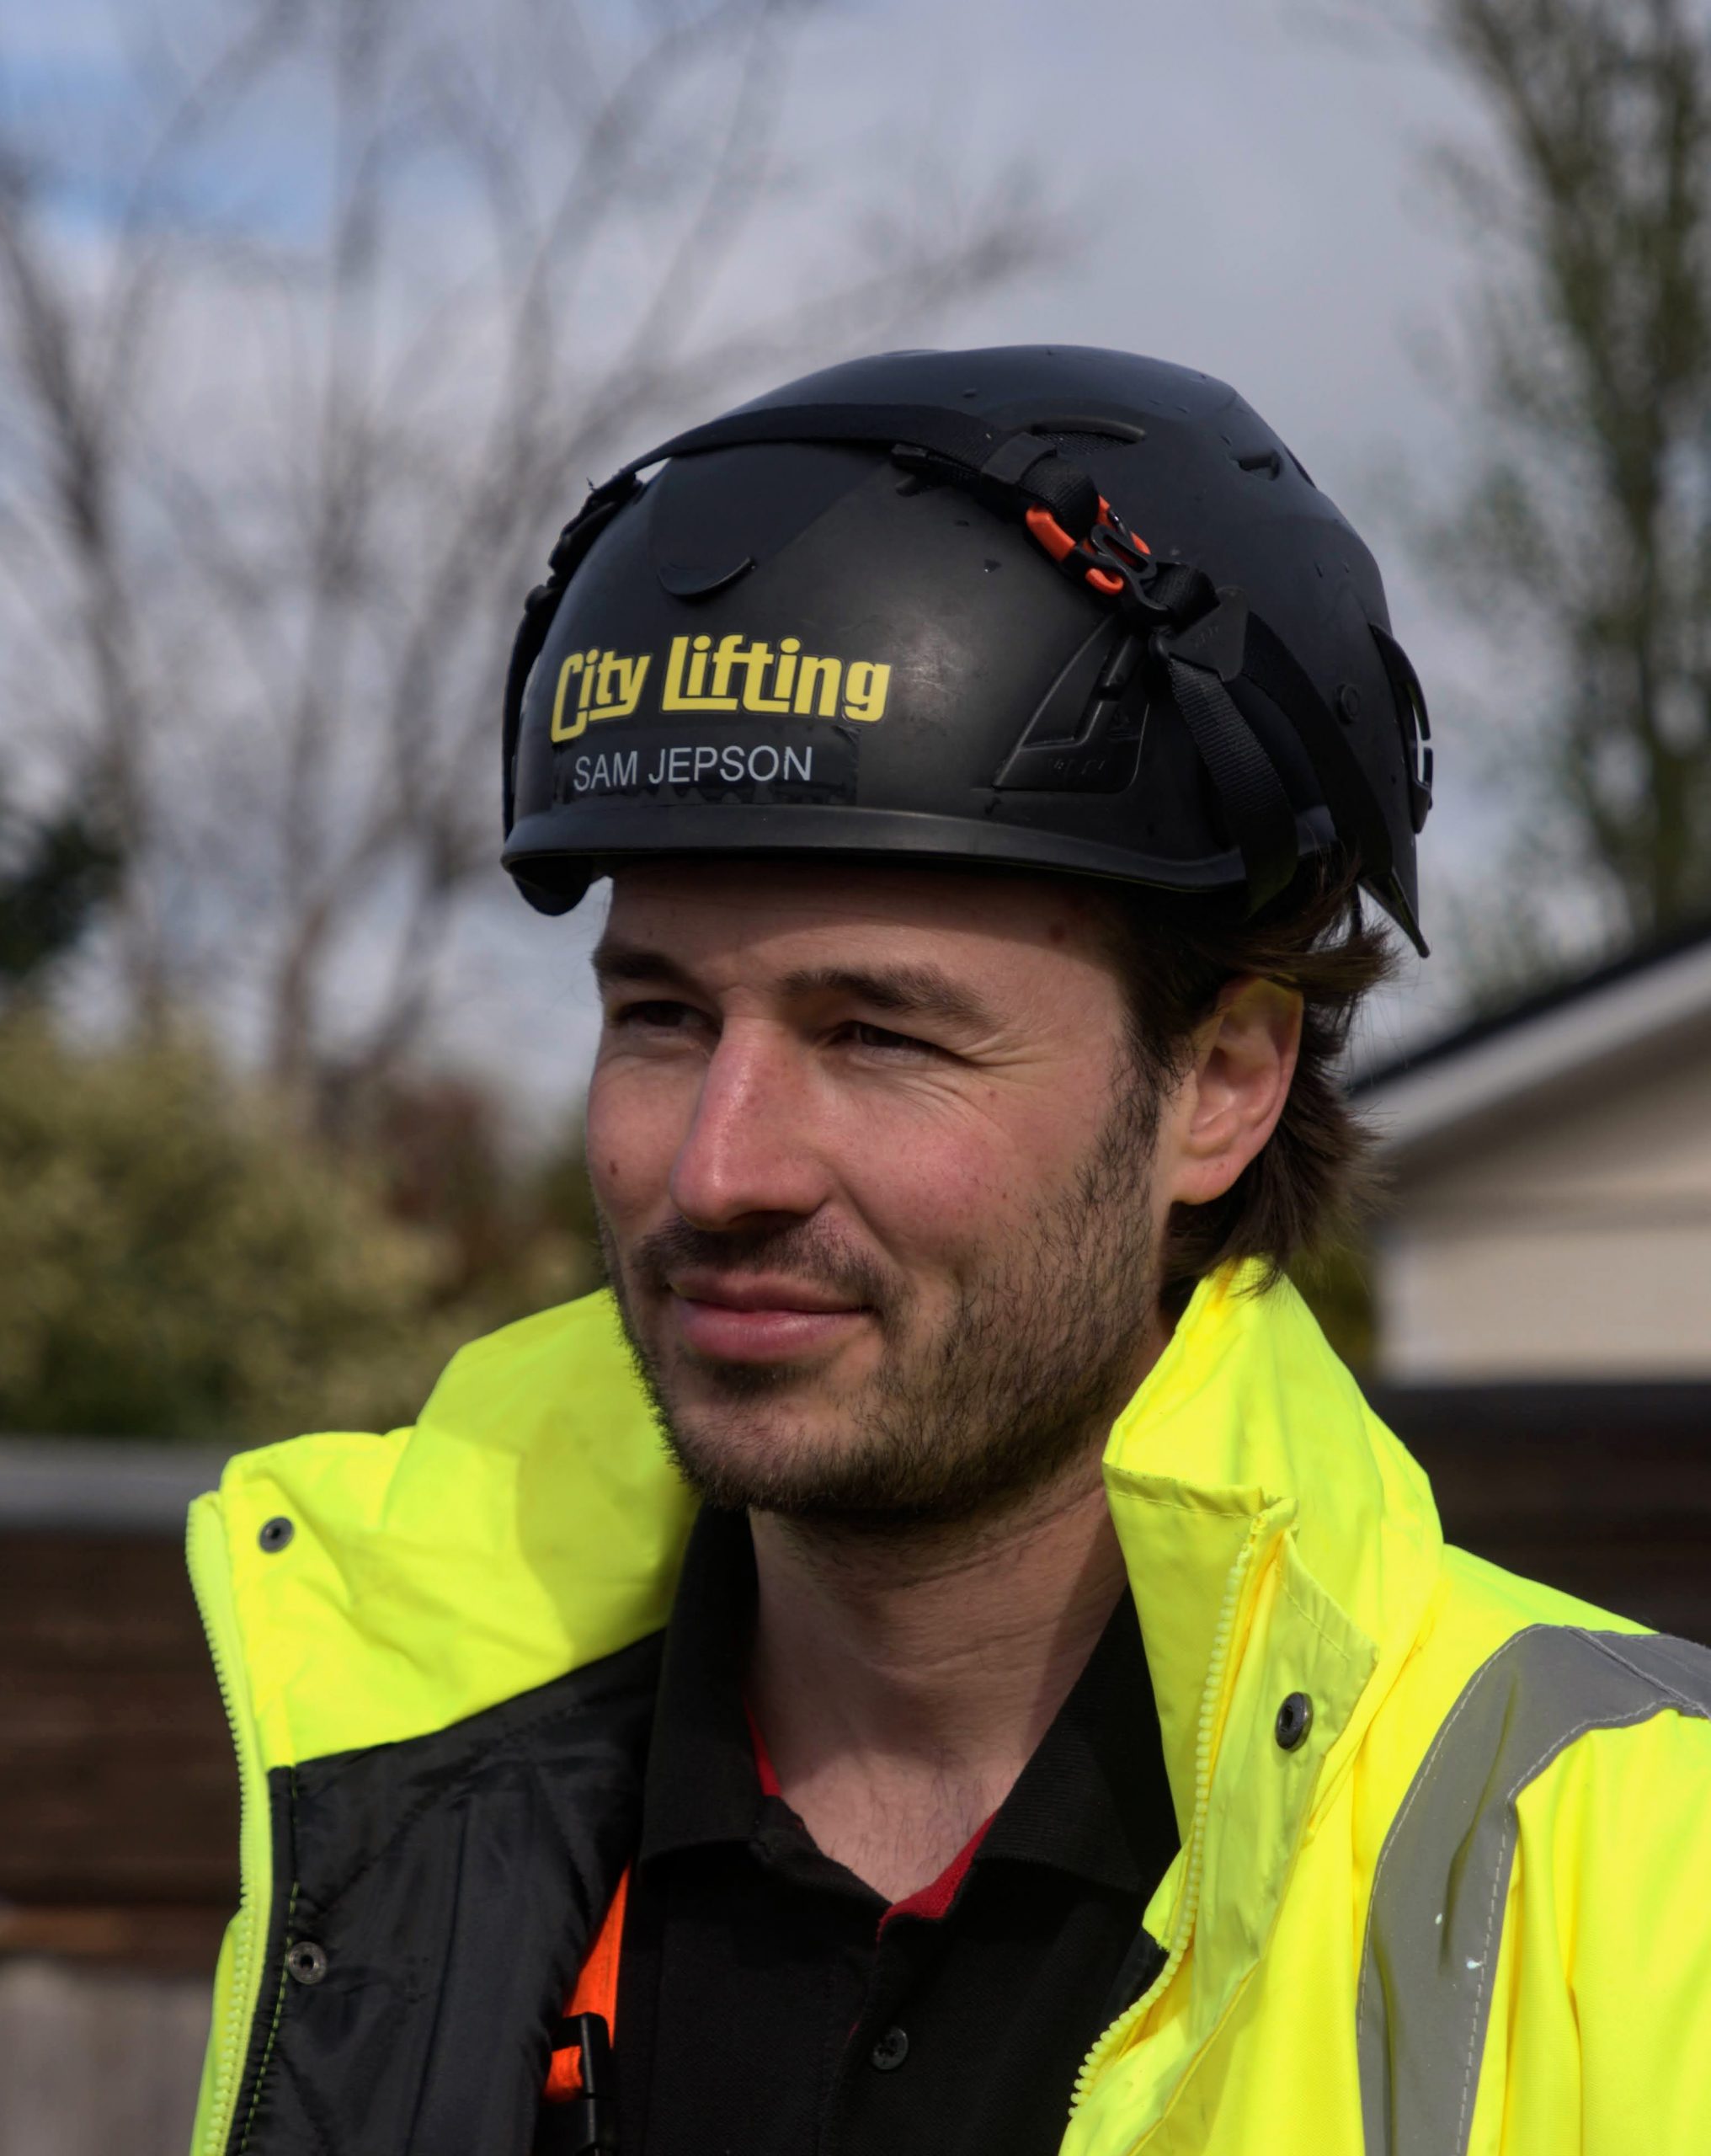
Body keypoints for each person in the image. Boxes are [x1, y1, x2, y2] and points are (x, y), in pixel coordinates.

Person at [182, 347, 1711, 2156]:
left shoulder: (1636, 1867)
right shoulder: (391, 1804)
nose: (718, 1167)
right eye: (660, 1016)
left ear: (1220, 1084)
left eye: (878, 1035)